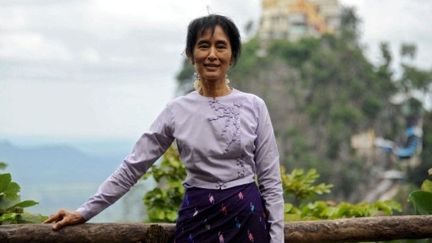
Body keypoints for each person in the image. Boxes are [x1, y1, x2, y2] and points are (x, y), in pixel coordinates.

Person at [44, 14, 284, 243]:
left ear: (231, 56)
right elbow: (133, 167)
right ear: (191, 54)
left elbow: (270, 181)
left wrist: (277, 239)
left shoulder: (254, 106)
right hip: (198, 218)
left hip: (246, 217)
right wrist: (85, 212)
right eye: (203, 46)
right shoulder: (176, 111)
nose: (212, 54)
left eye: (221, 46)